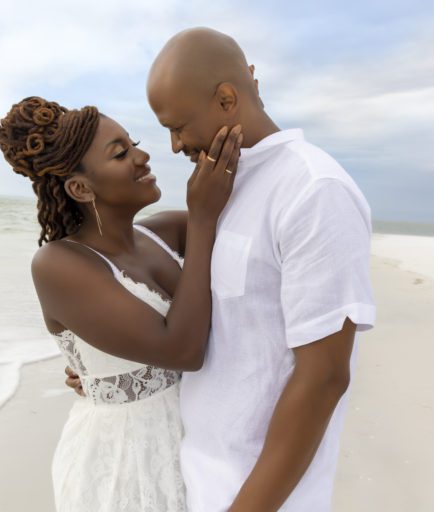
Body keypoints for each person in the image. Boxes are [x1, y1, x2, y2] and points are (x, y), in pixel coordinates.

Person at [67, 27, 377, 511]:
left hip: (258, 495)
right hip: (192, 476)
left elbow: (324, 378)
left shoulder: (314, 191)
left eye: (177, 126)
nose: (171, 146)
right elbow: (218, 330)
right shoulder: (221, 187)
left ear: (228, 99)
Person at [0, 95, 242, 511]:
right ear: (80, 188)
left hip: (199, 441)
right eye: (121, 153)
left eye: (134, 142)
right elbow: (183, 350)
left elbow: (249, 222)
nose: (144, 157)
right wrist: (201, 217)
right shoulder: (59, 264)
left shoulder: (165, 232)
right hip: (128, 464)